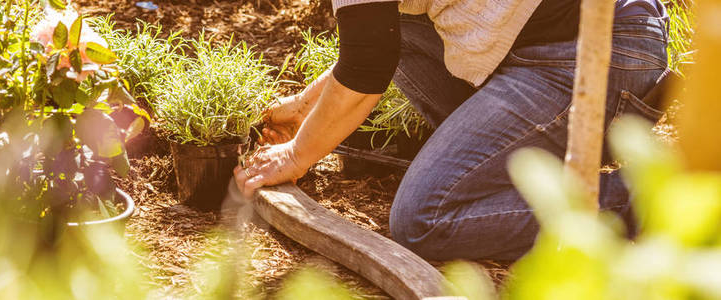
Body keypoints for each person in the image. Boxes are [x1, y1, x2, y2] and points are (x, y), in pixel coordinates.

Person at [234, 0, 669, 261]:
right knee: (399, 21)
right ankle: (493, 161)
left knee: (424, 219)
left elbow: (365, 69)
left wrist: (296, 155)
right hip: (578, 36)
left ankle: (649, 197)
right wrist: (303, 108)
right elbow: (376, 44)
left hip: (592, 55)